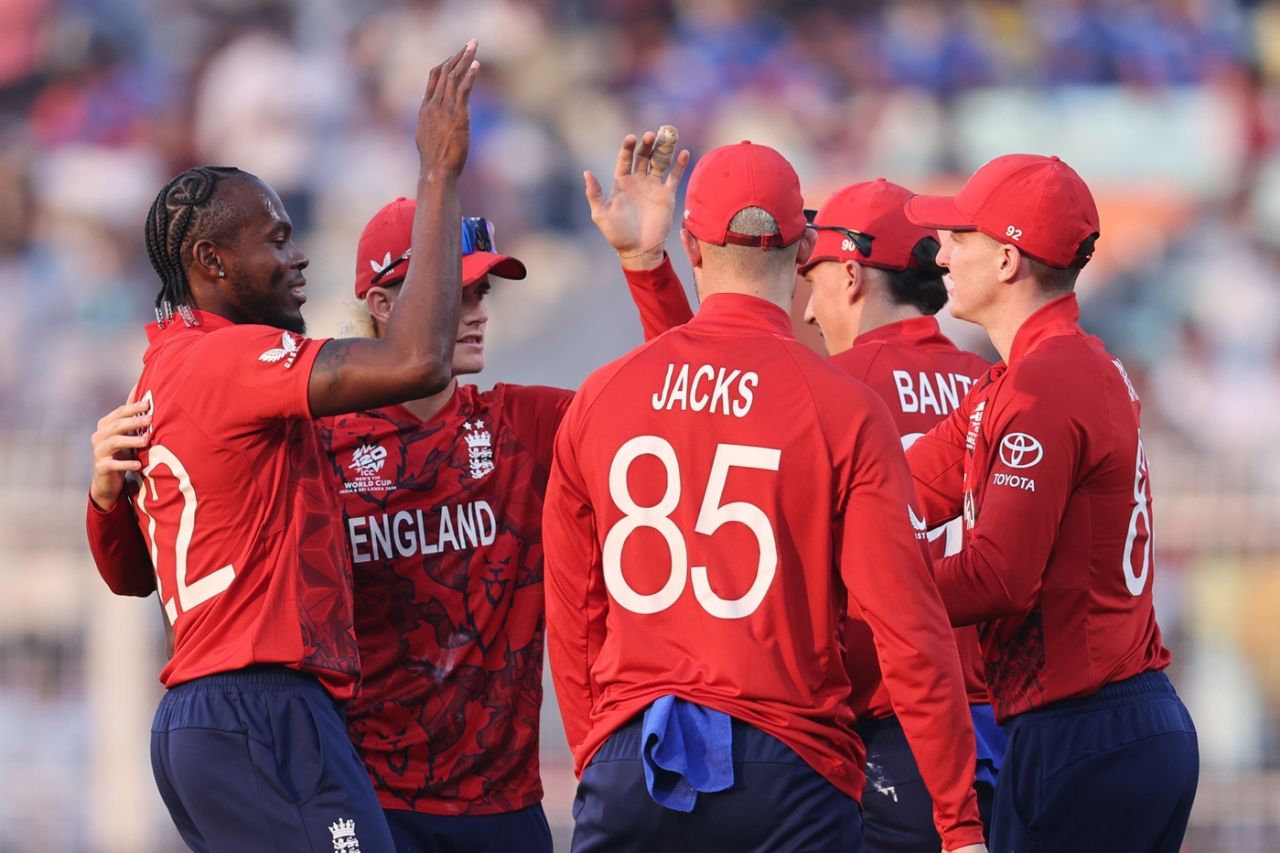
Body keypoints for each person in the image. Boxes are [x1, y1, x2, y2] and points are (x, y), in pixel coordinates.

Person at [88, 131, 694, 852]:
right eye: (453, 289)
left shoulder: (524, 427)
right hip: (358, 789)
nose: (473, 308)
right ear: (384, 301)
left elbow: (678, 414)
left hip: (499, 806)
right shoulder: (307, 435)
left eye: (480, 290)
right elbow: (165, 573)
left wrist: (646, 265)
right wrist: (108, 497)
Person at [83, 41, 481, 853]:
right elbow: (416, 360)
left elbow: (131, 577)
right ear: (212, 261)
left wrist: (102, 500)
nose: (297, 257)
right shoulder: (232, 359)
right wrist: (438, 171)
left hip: (211, 716)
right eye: (276, 239)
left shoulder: (163, 366)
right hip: (259, 707)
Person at [542, 140, 987, 853]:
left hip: (635, 763)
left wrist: (600, 748)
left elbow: (572, 615)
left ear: (692, 243)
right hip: (793, 764)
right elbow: (908, 624)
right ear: (805, 243)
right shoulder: (846, 405)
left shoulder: (601, 396)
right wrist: (959, 825)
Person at [902, 153, 1199, 851]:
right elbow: (896, 485)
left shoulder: (1048, 382)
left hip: (1084, 729)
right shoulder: (1032, 374)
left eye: (958, 234)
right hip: (1105, 725)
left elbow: (995, 576)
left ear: (1007, 260)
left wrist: (866, 588)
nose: (939, 250)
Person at [800, 178, 1003, 850]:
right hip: (1007, 721)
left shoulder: (832, 392)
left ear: (852, 275)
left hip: (891, 727)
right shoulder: (992, 382)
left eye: (815, 277)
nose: (807, 310)